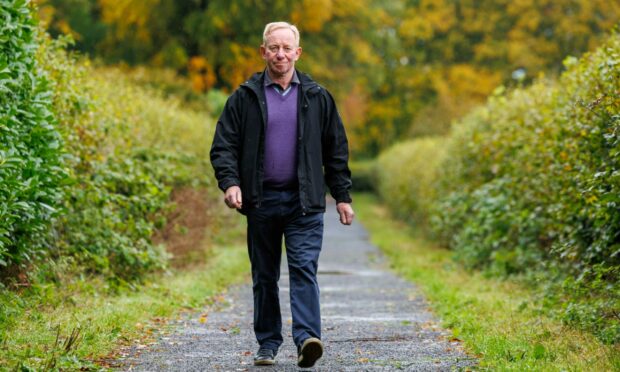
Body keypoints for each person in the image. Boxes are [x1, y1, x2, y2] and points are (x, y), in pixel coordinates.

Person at [210, 21, 354, 368]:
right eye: (274, 47)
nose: (280, 53)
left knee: (303, 267)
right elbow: (223, 146)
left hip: (304, 202)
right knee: (264, 274)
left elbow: (335, 149)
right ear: (263, 52)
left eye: (287, 48)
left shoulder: (318, 96)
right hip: (260, 200)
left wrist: (343, 195)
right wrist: (231, 183)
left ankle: (307, 339)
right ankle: (268, 344)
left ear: (297, 53)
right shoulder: (244, 97)